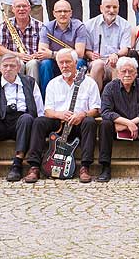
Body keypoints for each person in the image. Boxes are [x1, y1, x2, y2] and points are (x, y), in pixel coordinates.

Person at [23, 48, 100, 183]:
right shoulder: (53, 84)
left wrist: (82, 114)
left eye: (67, 62)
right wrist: (60, 114)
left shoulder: (89, 83)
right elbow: (48, 111)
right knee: (39, 121)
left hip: (78, 123)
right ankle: (34, 166)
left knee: (90, 122)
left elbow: (96, 109)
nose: (64, 66)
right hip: (58, 123)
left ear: (76, 62)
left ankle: (85, 167)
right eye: (61, 62)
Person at [0, 54, 44, 183]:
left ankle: (17, 164)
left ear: (18, 68)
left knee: (27, 118)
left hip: (21, 124)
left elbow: (40, 110)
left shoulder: (30, 82)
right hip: (0, 121)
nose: (8, 69)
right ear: (0, 68)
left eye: (12, 66)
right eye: (5, 66)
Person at [98, 56, 139, 183]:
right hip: (117, 126)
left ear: (136, 73)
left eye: (131, 71)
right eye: (124, 71)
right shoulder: (110, 88)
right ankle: (105, 166)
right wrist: (127, 123)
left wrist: (132, 123)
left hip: (138, 125)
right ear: (118, 73)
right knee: (105, 124)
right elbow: (106, 112)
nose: (127, 74)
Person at [37, 0, 88, 95]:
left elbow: (80, 54)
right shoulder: (47, 27)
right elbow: (42, 52)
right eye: (59, 11)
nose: (63, 14)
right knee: (45, 64)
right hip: (54, 62)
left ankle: (76, 96)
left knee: (80, 62)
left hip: (72, 61)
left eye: (66, 11)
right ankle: (47, 101)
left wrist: (52, 54)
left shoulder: (79, 26)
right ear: (54, 13)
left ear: (71, 13)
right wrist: (63, 55)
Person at [84, 0, 132, 90]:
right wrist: (91, 55)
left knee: (117, 64)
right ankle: (95, 101)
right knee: (98, 64)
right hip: (97, 63)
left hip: (115, 60)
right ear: (101, 8)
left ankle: (115, 101)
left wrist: (116, 54)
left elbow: (125, 49)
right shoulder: (89, 24)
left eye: (115, 7)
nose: (112, 10)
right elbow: (86, 50)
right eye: (108, 7)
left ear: (118, 8)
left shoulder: (126, 25)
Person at [0, 0, 46, 85]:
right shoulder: (5, 25)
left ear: (29, 8)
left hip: (33, 59)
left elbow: (43, 47)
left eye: (24, 6)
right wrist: (18, 55)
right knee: (19, 64)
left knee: (32, 64)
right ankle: (17, 93)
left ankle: (32, 94)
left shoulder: (40, 26)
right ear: (13, 9)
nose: (21, 9)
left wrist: (35, 55)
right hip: (14, 58)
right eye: (18, 6)